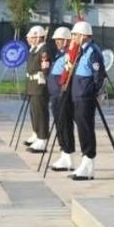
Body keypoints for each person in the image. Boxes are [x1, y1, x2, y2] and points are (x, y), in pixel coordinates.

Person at [68, 21, 105, 181]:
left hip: (85, 97)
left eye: (75, 34)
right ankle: (84, 161)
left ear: (83, 35)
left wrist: (91, 93)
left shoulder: (93, 52)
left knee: (86, 129)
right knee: (82, 129)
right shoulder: (82, 51)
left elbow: (98, 77)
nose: (73, 37)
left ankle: (89, 162)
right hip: (78, 95)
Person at [47, 27, 76, 172]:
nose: (57, 42)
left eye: (60, 40)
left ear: (66, 40)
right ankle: (64, 154)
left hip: (62, 96)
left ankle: (68, 154)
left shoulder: (68, 56)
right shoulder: (59, 55)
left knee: (65, 125)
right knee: (60, 126)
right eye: (56, 40)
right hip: (55, 97)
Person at [23, 26, 51, 152]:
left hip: (40, 85)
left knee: (41, 112)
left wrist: (44, 81)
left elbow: (45, 68)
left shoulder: (44, 50)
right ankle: (36, 133)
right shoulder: (34, 49)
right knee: (34, 112)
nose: (29, 40)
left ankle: (42, 138)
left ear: (39, 37)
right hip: (32, 85)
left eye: (32, 37)